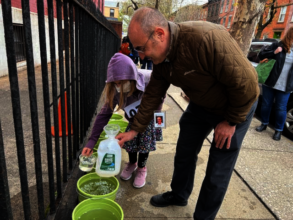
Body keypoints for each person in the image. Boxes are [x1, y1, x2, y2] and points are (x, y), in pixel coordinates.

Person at [116, 7, 259, 220]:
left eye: (141, 48)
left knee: (217, 168)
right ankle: (179, 194)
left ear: (160, 34)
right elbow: (152, 95)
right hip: (202, 105)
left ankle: (203, 217)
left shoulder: (205, 38)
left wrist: (230, 121)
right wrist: (134, 130)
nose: (140, 56)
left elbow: (248, 85)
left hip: (236, 106)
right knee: (184, 151)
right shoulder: (161, 61)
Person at [82, 53, 163, 188]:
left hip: (148, 120)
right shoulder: (115, 91)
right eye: (115, 83)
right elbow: (103, 115)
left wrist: (158, 117)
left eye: (120, 83)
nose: (118, 86)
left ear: (132, 78)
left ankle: (142, 167)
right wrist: (91, 142)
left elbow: (161, 93)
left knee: (144, 145)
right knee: (129, 143)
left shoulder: (149, 79)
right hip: (133, 121)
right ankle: (132, 163)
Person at [256, 27, 293, 141]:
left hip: (285, 85)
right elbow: (261, 55)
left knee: (281, 108)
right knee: (266, 104)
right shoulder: (278, 45)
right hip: (270, 82)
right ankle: (264, 124)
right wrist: (274, 52)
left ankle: (278, 130)